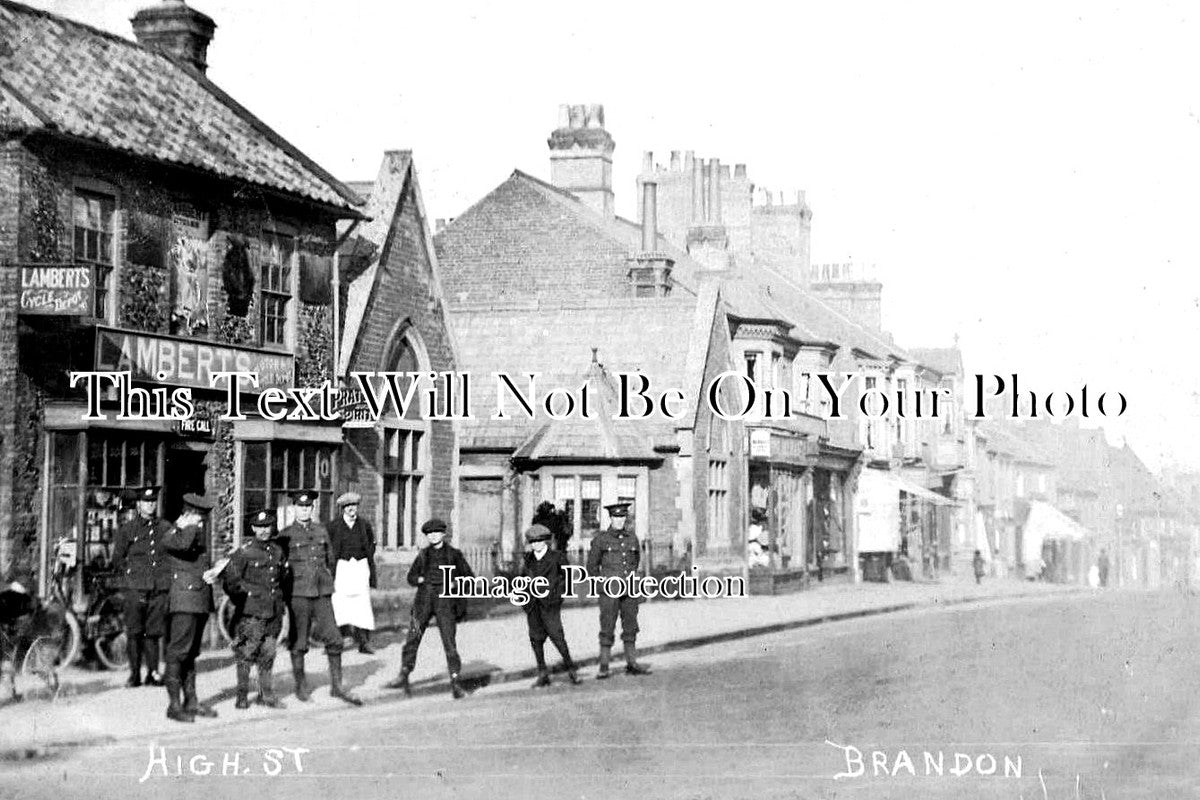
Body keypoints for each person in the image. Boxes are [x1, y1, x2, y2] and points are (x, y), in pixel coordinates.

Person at [278, 490, 361, 706]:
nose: (305, 510)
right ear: (294, 508)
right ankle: (301, 686)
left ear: (312, 509)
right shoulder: (285, 535)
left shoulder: (321, 531)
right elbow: (280, 568)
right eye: (300, 506)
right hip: (298, 593)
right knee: (299, 641)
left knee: (334, 638)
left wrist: (326, 581)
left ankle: (337, 686)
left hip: (322, 592)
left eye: (308, 507)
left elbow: (331, 560)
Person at [384, 518, 474, 699]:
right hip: (423, 602)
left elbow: (469, 577)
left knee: (449, 642)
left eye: (436, 533)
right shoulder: (423, 555)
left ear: (443, 534)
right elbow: (411, 577)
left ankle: (455, 681)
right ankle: (404, 673)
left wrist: (455, 583)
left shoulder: (454, 554)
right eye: (429, 534)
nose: (433, 537)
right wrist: (419, 580)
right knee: (413, 636)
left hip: (445, 603)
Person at [223, 510, 288, 710]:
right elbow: (230, 583)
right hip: (251, 613)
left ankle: (266, 695)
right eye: (259, 527)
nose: (263, 531)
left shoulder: (277, 551)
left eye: (267, 526)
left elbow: (283, 578)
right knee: (246, 653)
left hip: (273, 610)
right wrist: (244, 600)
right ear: (252, 528)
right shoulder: (243, 553)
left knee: (268, 653)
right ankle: (242, 696)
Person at [161, 493, 217, 723]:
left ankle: (191, 701)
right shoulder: (174, 534)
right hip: (184, 600)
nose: (201, 523)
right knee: (177, 653)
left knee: (191, 653)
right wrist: (187, 525)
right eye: (198, 517)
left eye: (202, 519)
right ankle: (174, 706)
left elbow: (197, 560)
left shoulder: (192, 531)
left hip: (199, 599)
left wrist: (212, 572)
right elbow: (182, 545)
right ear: (187, 514)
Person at [110, 486, 171, 688]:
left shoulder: (164, 528)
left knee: (153, 632)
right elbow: (117, 559)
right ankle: (134, 674)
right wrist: (131, 576)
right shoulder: (128, 529)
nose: (150, 505)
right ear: (138, 505)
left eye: (153, 501)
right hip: (135, 588)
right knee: (135, 631)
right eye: (146, 502)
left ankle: (153, 672)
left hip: (158, 587)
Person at [587, 501, 650, 678]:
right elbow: (591, 567)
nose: (620, 520)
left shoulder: (632, 538)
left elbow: (635, 562)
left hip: (629, 590)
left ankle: (631, 662)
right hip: (609, 592)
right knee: (607, 626)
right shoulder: (601, 540)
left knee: (630, 625)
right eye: (616, 517)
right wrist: (602, 584)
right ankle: (604, 665)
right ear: (611, 518)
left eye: (622, 517)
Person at [520, 524, 581, 688]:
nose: (535, 545)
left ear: (545, 542)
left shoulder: (556, 557)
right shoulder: (528, 560)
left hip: (550, 605)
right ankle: (542, 673)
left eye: (539, 541)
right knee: (536, 639)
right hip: (533, 606)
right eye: (532, 542)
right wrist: (525, 602)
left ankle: (571, 668)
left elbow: (567, 579)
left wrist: (558, 597)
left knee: (557, 637)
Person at [327, 492, 377, 655]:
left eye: (353, 506)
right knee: (339, 604)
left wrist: (363, 561)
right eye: (347, 507)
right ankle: (336, 641)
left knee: (362, 605)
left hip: (360, 567)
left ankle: (364, 642)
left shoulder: (364, 525)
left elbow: (371, 545)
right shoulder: (334, 526)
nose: (351, 509)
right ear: (342, 509)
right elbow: (328, 548)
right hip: (342, 568)